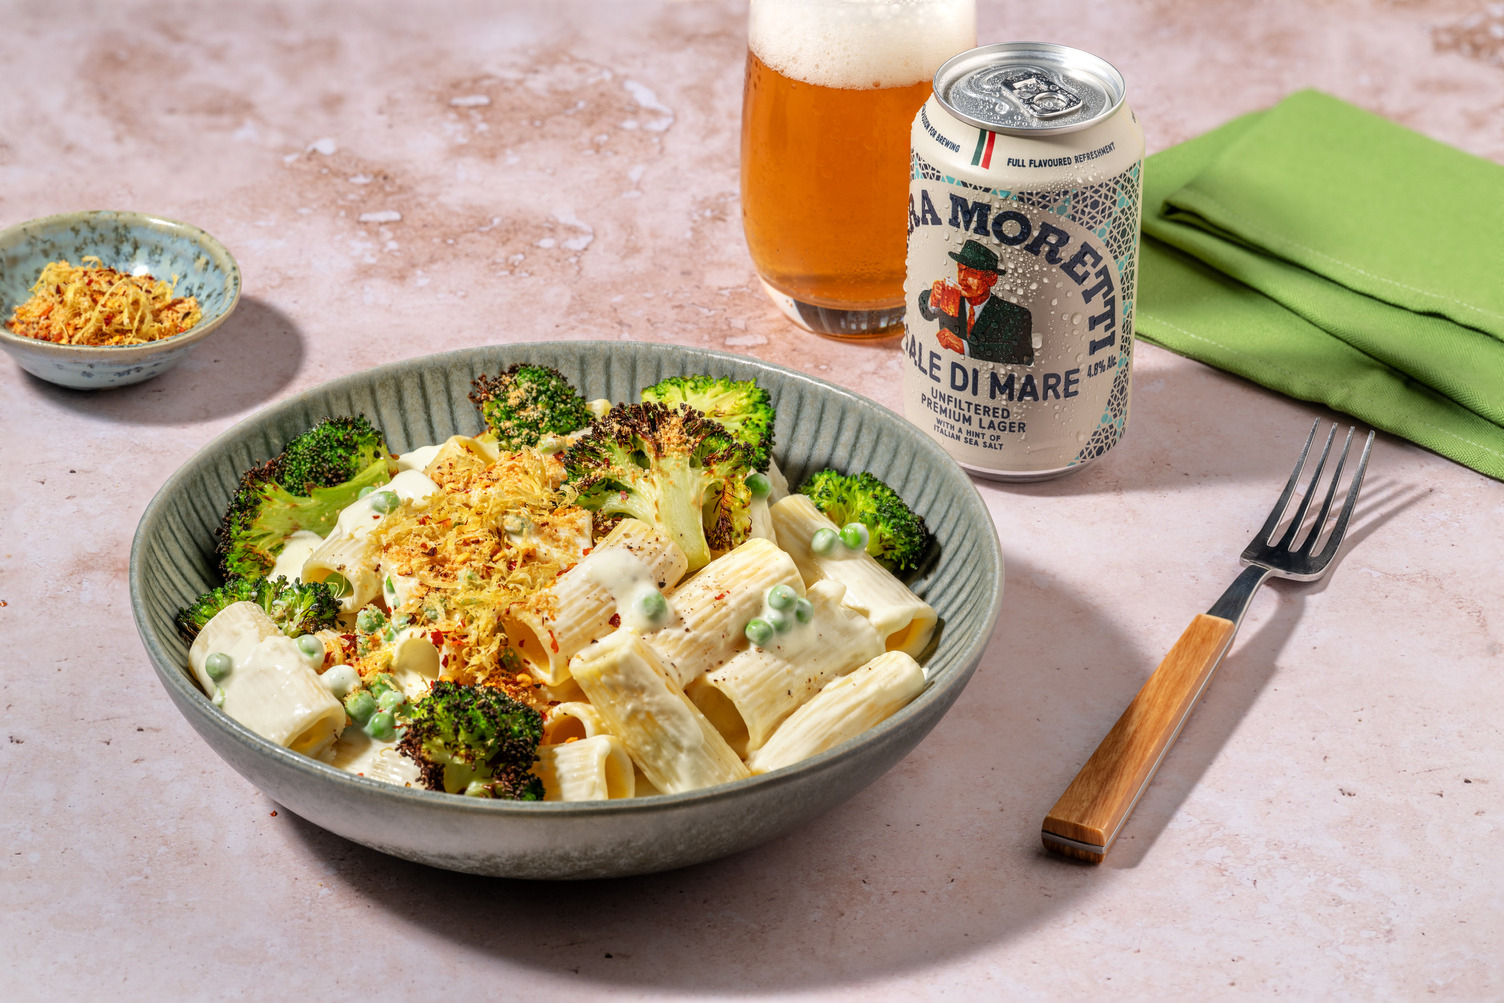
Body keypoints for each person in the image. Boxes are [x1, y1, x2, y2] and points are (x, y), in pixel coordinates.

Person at [915, 239, 1034, 365]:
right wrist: (932, 301)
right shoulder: (950, 297)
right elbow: (925, 300)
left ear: (992, 279)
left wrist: (964, 347)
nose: (962, 278)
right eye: (961, 269)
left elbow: (1022, 353)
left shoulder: (1015, 315)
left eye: (972, 272)